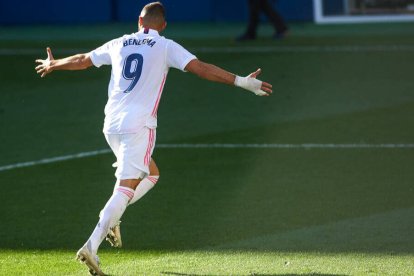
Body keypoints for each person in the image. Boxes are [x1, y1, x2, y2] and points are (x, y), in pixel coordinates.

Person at [35, 2, 272, 275]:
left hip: (111, 124)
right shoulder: (166, 46)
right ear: (164, 25)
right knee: (124, 189)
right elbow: (200, 68)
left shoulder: (119, 43)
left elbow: (83, 60)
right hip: (139, 126)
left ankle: (114, 218)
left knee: (151, 174)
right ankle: (92, 245)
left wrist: (55, 64)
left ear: (139, 21)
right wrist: (241, 81)